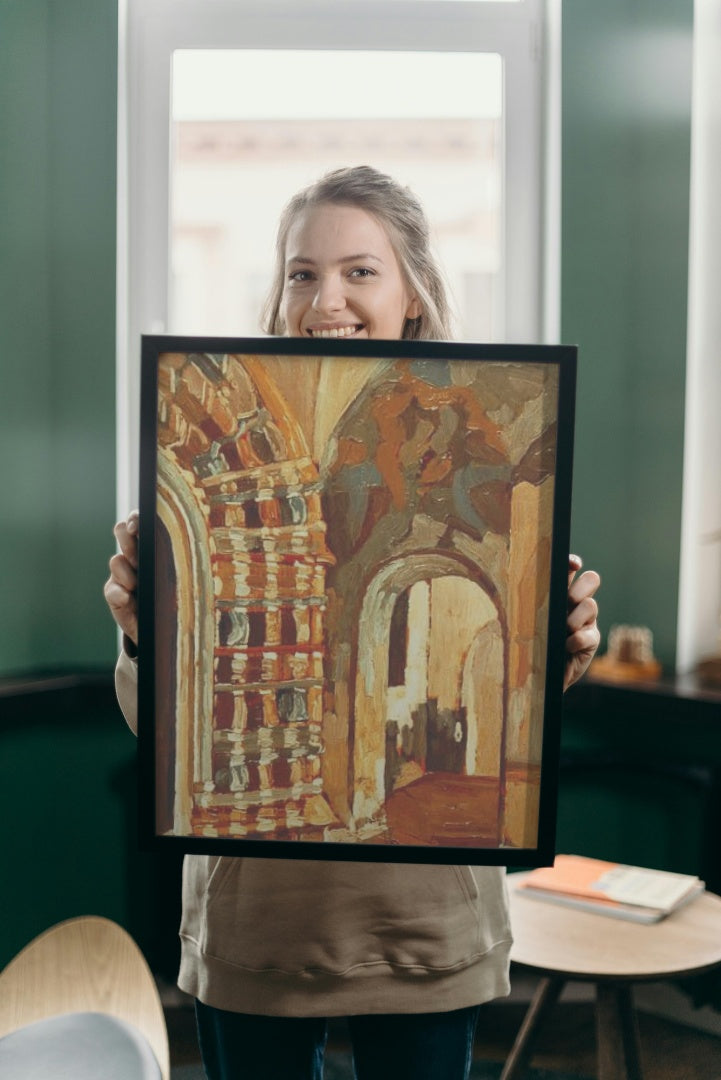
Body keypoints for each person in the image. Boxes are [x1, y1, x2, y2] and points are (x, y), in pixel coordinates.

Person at [105, 166, 601, 1080]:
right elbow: (167, 734)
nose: (324, 298)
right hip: (256, 925)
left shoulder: (491, 426)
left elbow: (521, 714)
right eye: (301, 272)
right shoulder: (201, 454)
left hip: (424, 926)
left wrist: (561, 643)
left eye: (358, 271)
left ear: (412, 292)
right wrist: (145, 636)